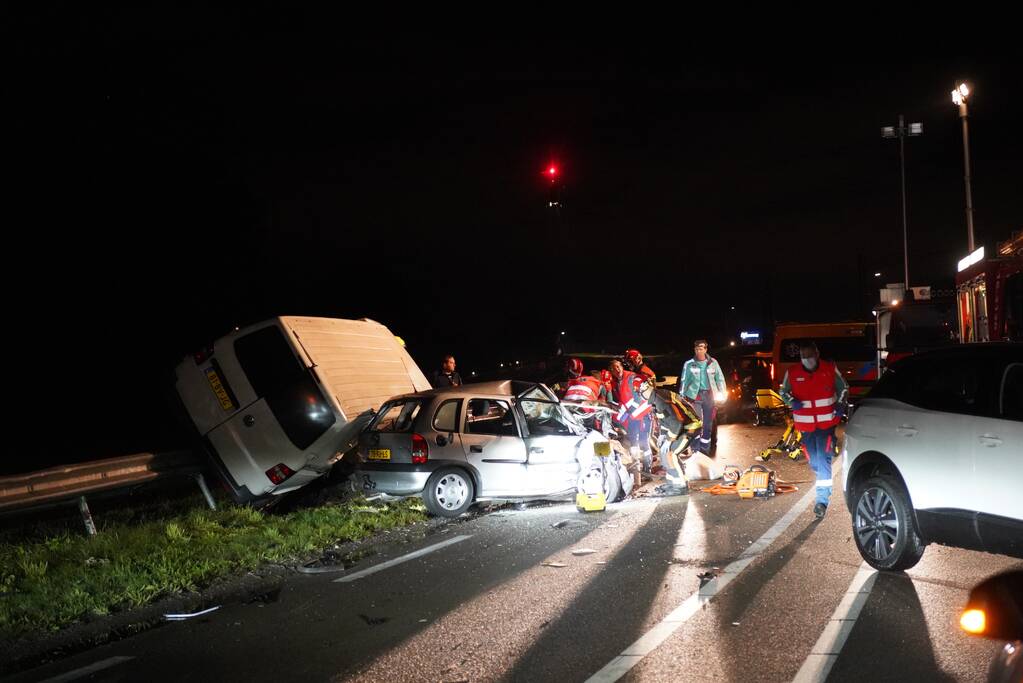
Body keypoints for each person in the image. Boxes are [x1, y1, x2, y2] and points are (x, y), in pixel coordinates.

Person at [779, 341, 848, 520]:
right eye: (803, 357)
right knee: (814, 461)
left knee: (823, 460)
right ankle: (823, 483)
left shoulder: (829, 369)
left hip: (826, 424)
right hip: (805, 426)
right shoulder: (792, 372)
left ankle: (821, 501)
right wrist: (791, 401)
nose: (807, 360)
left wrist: (840, 405)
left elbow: (843, 388)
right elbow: (783, 392)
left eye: (809, 356)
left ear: (817, 354)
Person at [677, 340, 727, 455]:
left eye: (701, 349)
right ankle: (695, 449)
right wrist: (682, 396)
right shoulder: (689, 364)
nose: (699, 351)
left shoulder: (713, 363)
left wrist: (723, 393)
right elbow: (684, 381)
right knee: (697, 423)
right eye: (696, 349)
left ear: (705, 349)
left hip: (709, 397)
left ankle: (705, 450)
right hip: (695, 397)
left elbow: (720, 379)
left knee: (708, 424)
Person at [610, 359, 654, 473]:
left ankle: (647, 467)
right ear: (611, 371)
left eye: (618, 366)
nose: (617, 370)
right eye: (614, 368)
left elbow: (639, 397)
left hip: (643, 413)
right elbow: (623, 400)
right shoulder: (617, 382)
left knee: (644, 440)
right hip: (633, 416)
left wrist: (629, 411)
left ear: (622, 366)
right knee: (633, 441)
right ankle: (636, 466)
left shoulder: (631, 377)